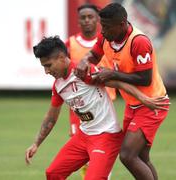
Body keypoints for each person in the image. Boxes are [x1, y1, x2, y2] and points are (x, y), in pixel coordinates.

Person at [25, 36, 169, 180]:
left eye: (48, 65)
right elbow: (51, 118)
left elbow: (118, 83)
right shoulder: (58, 86)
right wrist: (36, 144)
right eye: (44, 66)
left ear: (61, 57)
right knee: (53, 173)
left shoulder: (83, 72)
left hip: (106, 136)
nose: (46, 71)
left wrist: (144, 99)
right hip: (83, 136)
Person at [75, 3, 170, 180]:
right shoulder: (107, 38)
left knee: (127, 155)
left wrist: (112, 74)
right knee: (141, 157)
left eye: (107, 27)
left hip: (151, 104)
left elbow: (145, 79)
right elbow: (94, 55)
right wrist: (84, 61)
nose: (102, 31)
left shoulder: (138, 41)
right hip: (133, 104)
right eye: (102, 26)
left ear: (122, 24)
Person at [65, 4, 116, 179]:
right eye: (83, 17)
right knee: (84, 157)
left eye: (91, 17)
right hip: (80, 108)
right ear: (78, 21)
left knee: (100, 155)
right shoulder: (70, 44)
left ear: (98, 20)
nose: (87, 21)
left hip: (104, 107)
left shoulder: (108, 42)